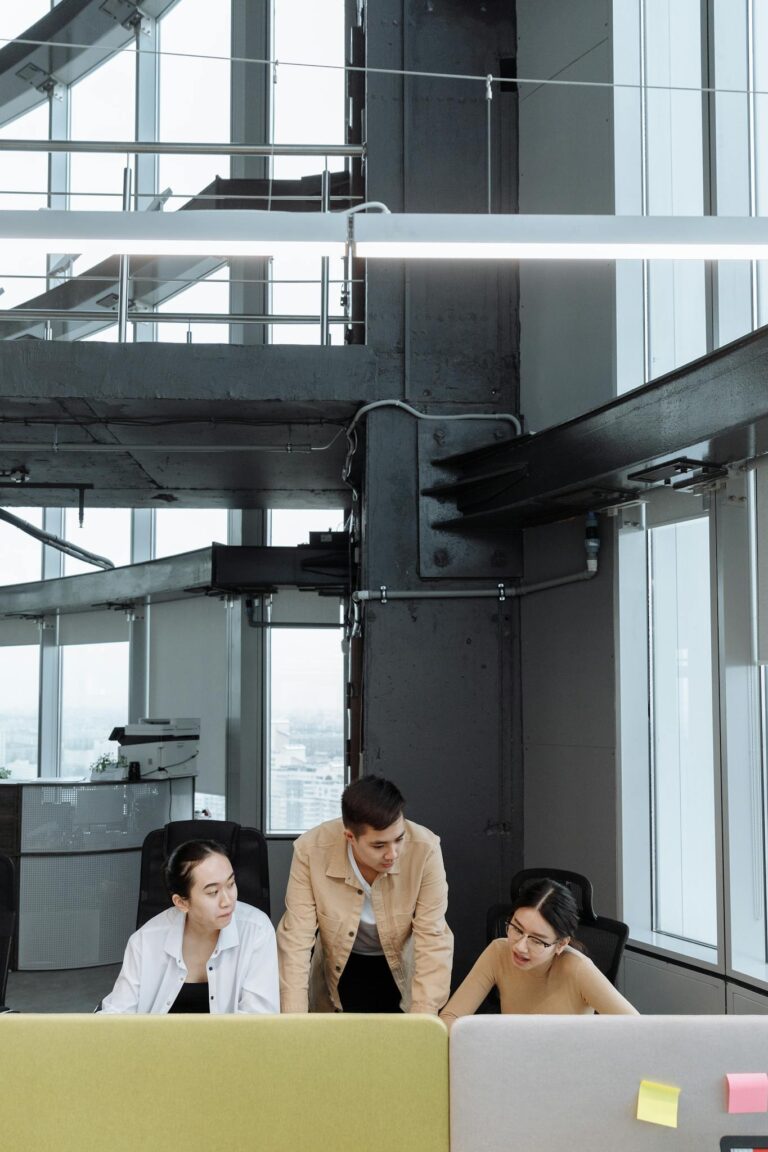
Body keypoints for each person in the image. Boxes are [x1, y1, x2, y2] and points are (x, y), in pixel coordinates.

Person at [276, 774, 453, 1013]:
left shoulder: (426, 849)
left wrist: (423, 1019)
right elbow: (296, 938)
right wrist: (292, 1020)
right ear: (350, 837)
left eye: (399, 839)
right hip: (338, 969)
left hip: (401, 967)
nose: (393, 853)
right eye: (379, 846)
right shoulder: (311, 850)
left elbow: (432, 937)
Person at [100, 839, 279, 1014]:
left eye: (231, 884)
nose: (228, 901)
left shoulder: (257, 930)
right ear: (181, 902)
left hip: (230, 1043)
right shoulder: (145, 940)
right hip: (158, 1042)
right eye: (212, 892)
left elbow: (258, 1019)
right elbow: (117, 1014)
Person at [439, 877, 637, 1029]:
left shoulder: (578, 969)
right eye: (516, 928)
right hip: (516, 1060)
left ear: (561, 944)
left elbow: (640, 1030)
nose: (519, 947)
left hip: (568, 1068)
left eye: (536, 940)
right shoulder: (499, 951)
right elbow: (450, 1018)